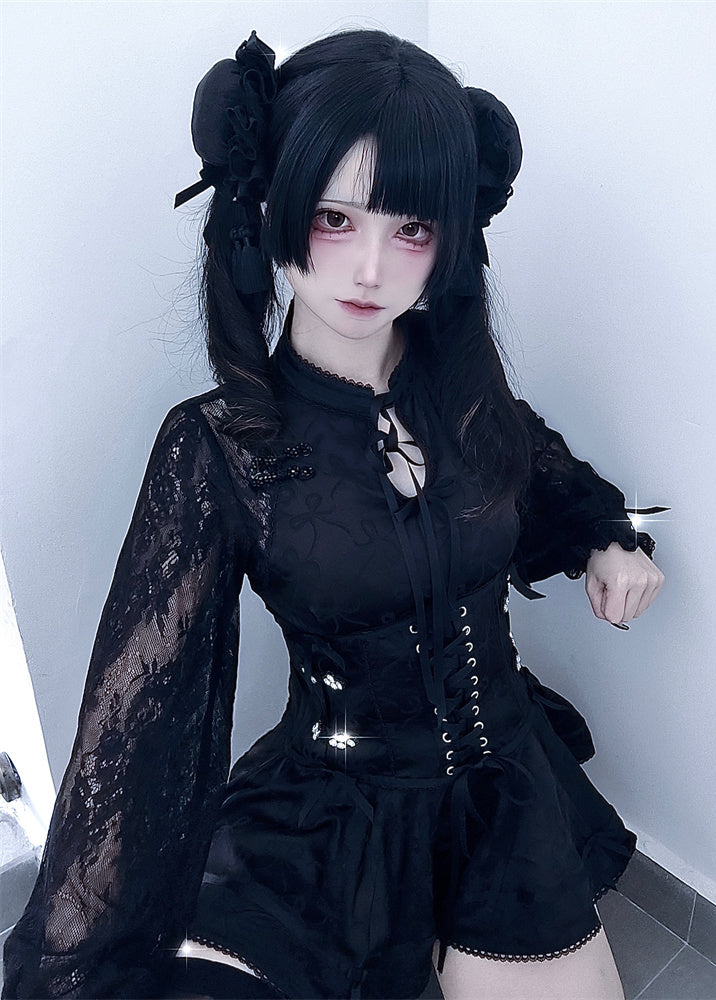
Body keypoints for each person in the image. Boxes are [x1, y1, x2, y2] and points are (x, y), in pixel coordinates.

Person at [2, 28, 665, 1000]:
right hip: (327, 814)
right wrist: (87, 943)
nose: (368, 270)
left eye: (410, 229)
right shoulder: (221, 446)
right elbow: (137, 721)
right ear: (271, 206)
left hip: (505, 798)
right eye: (333, 218)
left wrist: (611, 540)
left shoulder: (469, 398)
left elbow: (551, 482)